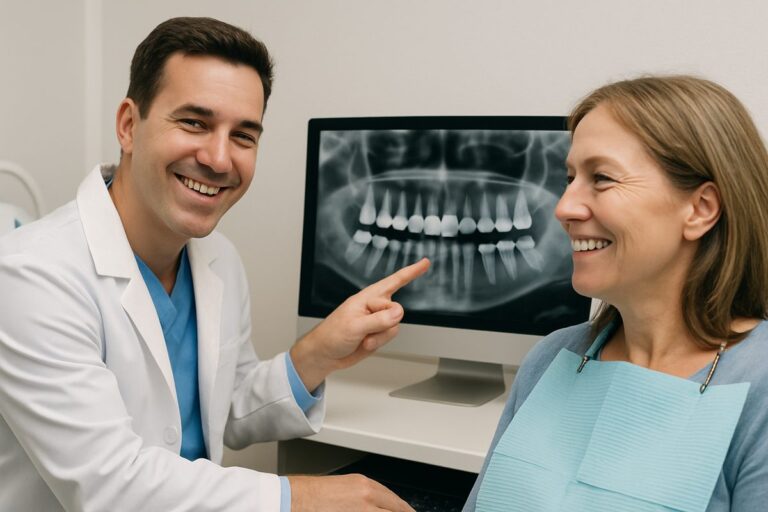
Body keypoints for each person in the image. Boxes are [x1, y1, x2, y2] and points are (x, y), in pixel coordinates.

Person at [0, 17, 428, 512]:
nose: (220, 159)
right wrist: (300, 497)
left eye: (243, 135)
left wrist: (318, 353)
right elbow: (111, 485)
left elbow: (223, 407)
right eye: (194, 123)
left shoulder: (218, 258)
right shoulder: (32, 275)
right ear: (129, 125)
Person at [463, 76, 768, 511]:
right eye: (570, 178)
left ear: (700, 209)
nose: (564, 208)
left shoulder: (759, 384)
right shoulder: (552, 357)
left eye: (602, 178)